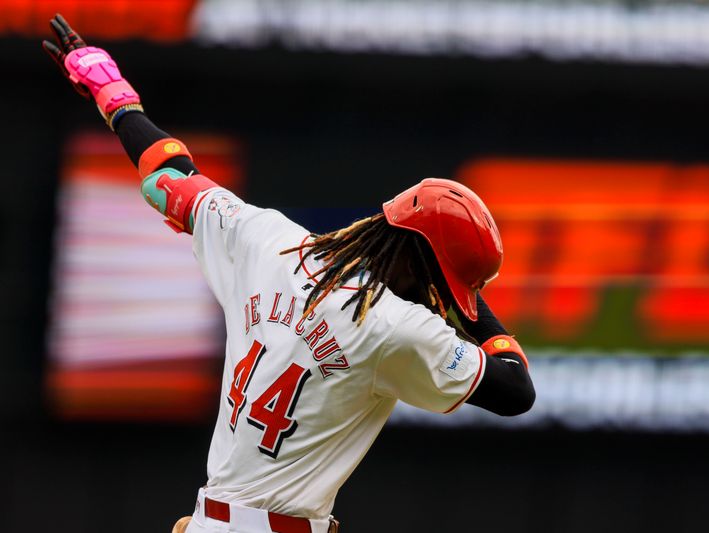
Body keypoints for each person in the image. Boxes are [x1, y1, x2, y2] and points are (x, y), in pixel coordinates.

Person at [43, 14, 535, 533]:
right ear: (426, 266)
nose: (444, 301)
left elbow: (167, 179)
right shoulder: (395, 327)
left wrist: (115, 97)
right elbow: (514, 390)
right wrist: (472, 309)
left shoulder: (270, 239)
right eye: (446, 287)